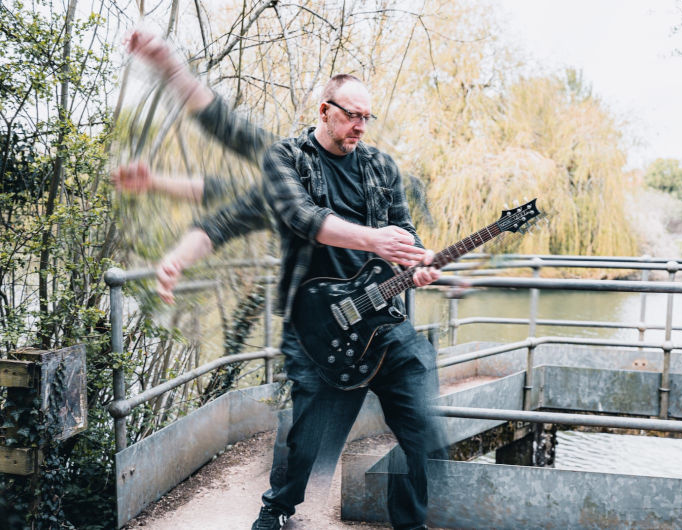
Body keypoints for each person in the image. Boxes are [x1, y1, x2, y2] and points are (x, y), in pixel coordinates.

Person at [124, 32, 445, 530]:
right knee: (306, 441)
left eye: (367, 117)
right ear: (324, 109)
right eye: (351, 115)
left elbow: (402, 234)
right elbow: (237, 205)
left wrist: (417, 262)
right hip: (316, 325)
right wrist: (169, 65)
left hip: (383, 324)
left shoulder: (381, 167)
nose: (360, 126)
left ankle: (411, 523)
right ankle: (276, 509)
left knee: (421, 426)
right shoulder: (286, 161)